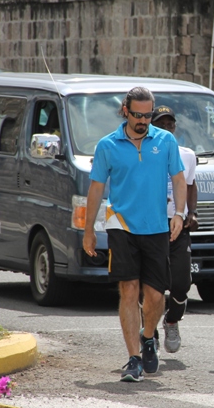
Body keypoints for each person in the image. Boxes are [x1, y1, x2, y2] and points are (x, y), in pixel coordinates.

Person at [83, 87, 187, 382]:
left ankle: (149, 336)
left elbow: (178, 180)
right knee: (128, 289)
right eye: (138, 114)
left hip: (156, 227)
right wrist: (89, 230)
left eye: (148, 115)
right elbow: (96, 188)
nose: (143, 120)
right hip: (121, 225)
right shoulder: (107, 145)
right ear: (125, 111)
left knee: (155, 296)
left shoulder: (166, 141)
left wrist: (179, 213)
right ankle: (133, 358)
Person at [151, 105, 199, 353]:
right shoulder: (145, 153)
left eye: (170, 124)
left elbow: (190, 185)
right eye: (161, 125)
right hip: (150, 227)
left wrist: (192, 213)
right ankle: (150, 336)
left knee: (181, 283)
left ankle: (171, 320)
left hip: (178, 226)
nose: (167, 128)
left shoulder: (187, 155)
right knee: (152, 287)